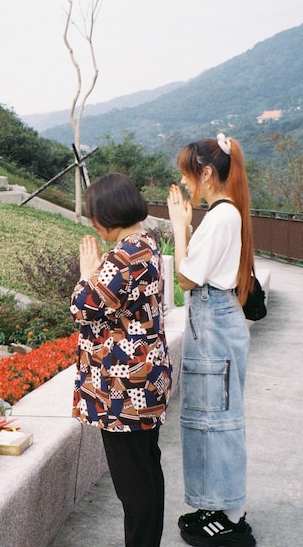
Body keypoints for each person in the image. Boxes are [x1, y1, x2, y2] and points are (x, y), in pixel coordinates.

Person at [70, 172, 173, 547]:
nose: (92, 224)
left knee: (133, 487)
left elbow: (83, 307)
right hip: (146, 381)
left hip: (123, 390)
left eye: (93, 216)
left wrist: (87, 273)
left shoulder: (123, 255)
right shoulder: (147, 243)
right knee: (147, 473)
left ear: (109, 214)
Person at [166, 134, 257, 547]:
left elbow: (186, 277)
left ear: (205, 173)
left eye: (188, 175)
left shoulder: (221, 217)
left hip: (214, 322)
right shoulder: (228, 213)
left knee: (216, 420)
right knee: (213, 417)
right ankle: (218, 506)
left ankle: (229, 515)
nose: (186, 184)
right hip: (218, 321)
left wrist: (179, 228)